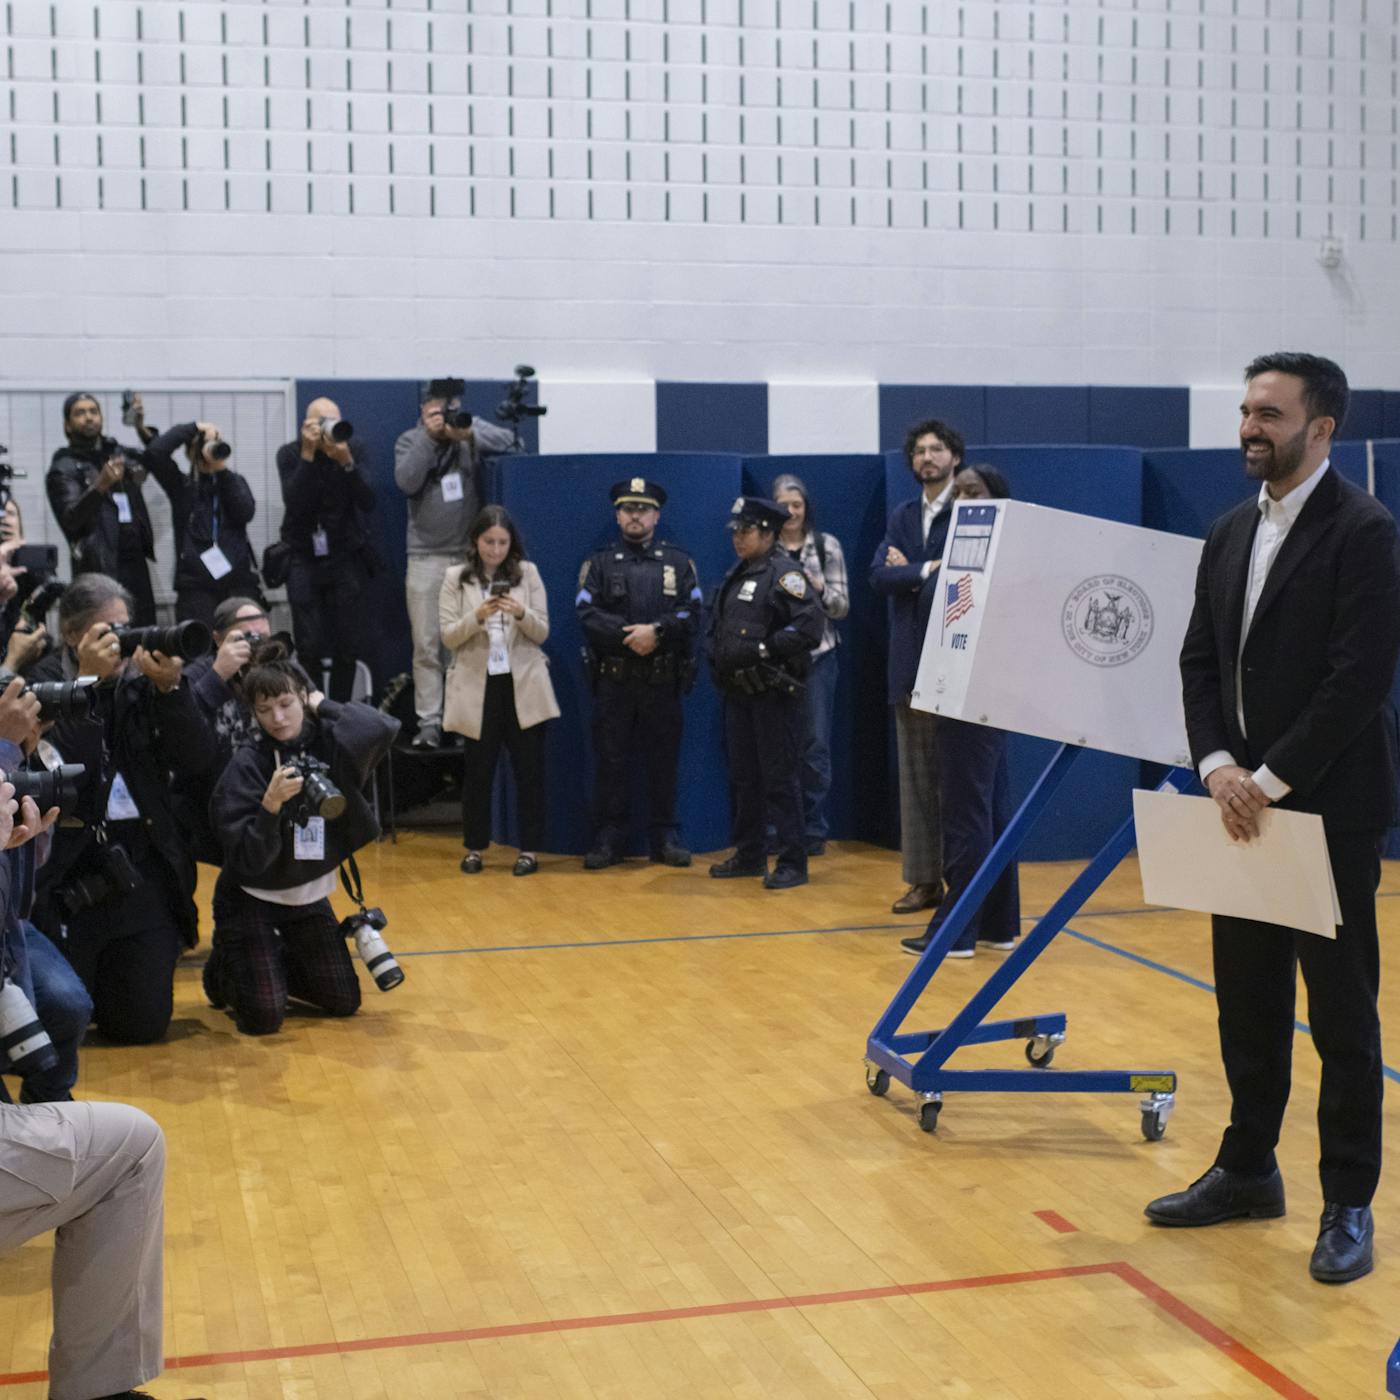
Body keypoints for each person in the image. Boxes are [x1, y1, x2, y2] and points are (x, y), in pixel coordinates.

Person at [1148, 352, 1400, 1287]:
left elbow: (1357, 681)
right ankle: (1249, 1168)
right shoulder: (1225, 532)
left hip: (1325, 815)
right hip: (1239, 811)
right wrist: (1218, 768)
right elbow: (1197, 664)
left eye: (1270, 414)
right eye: (1247, 410)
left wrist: (1270, 777)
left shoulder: (1365, 531)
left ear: (1321, 427)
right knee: (1247, 1004)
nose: (1250, 427)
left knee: (1343, 1019)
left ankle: (1350, 1202)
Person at [31, 575, 213, 1045]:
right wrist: (85, 685)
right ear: (72, 635)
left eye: (125, 627)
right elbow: (64, 768)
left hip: (140, 866)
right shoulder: (45, 681)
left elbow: (196, 759)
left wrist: (172, 691)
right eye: (105, 629)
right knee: (64, 1018)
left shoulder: (143, 683)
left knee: (142, 1026)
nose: (120, 640)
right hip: (70, 871)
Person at [207, 644, 399, 1035]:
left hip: (307, 895)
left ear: (301, 698)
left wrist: (322, 703)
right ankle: (227, 967)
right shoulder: (248, 764)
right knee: (264, 1018)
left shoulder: (327, 739)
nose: (277, 719)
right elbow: (247, 861)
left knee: (344, 1001)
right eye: (264, 710)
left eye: (286, 703)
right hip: (252, 898)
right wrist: (270, 806)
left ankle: (269, 966)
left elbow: (383, 728)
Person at [900, 464, 1020, 959]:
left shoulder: (995, 557)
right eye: (960, 491)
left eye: (976, 491)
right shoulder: (960, 550)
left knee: (965, 814)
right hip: (966, 697)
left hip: (972, 698)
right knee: (988, 810)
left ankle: (955, 930)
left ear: (999, 500)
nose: (964, 498)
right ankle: (997, 923)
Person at [576, 478, 701, 869]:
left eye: (643, 509)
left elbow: (693, 612)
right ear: (617, 515)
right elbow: (586, 612)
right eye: (628, 508)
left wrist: (658, 633)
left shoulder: (679, 562)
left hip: (662, 680)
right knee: (611, 760)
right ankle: (610, 836)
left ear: (656, 515)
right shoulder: (598, 563)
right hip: (615, 679)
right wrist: (630, 636)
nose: (635, 515)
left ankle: (665, 835)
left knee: (663, 761)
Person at [870, 418, 964, 915]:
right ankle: (924, 882)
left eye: (936, 449)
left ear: (954, 456)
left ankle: (963, 885)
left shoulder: (970, 508)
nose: (927, 457)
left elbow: (963, 576)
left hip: (957, 664)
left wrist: (912, 572)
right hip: (909, 666)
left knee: (958, 784)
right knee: (917, 782)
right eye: (919, 451)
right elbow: (878, 575)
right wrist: (926, 569)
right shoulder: (904, 514)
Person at [707, 496, 824, 890]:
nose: (738, 538)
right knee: (744, 778)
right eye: (736, 531)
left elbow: (809, 629)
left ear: (768, 533)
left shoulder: (785, 574)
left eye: (746, 531)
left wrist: (763, 649)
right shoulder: (738, 572)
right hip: (739, 694)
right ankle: (750, 853)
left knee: (779, 778)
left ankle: (792, 861)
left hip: (773, 694)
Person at [394, 380, 515, 750]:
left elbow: (513, 443)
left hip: (466, 557)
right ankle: (429, 722)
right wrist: (430, 439)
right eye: (435, 411)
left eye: (449, 409)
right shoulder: (409, 441)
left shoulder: (466, 435)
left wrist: (467, 430)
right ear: (423, 412)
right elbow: (406, 480)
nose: (443, 417)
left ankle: (462, 720)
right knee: (427, 645)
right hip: (425, 557)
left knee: (463, 644)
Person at [440, 506, 558, 876]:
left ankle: (530, 850)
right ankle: (475, 847)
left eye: (502, 542)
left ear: (512, 543)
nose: (495, 550)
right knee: (478, 773)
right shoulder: (455, 578)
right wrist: (478, 616)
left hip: (522, 684)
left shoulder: (528, 574)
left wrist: (520, 612)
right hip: (478, 686)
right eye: (488, 541)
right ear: (476, 541)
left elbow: (542, 632)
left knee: (529, 772)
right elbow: (447, 636)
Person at [275, 397, 376, 702]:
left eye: (335, 420)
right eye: (323, 422)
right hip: (303, 555)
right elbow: (293, 503)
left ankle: (343, 712)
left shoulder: (352, 450)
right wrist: (308, 456)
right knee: (309, 643)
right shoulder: (290, 453)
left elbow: (368, 501)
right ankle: (314, 707)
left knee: (348, 642)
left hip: (343, 554)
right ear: (307, 425)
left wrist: (346, 463)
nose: (330, 428)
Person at [771, 473, 849, 857]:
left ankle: (814, 829)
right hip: (777, 657)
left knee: (815, 745)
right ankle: (780, 828)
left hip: (819, 655)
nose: (791, 512)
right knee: (776, 745)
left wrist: (818, 589)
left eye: (797, 505)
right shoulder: (766, 548)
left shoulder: (826, 546)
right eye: (784, 506)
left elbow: (842, 606)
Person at [176, 596, 276, 867]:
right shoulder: (198, 673)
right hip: (209, 806)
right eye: (247, 637)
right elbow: (179, 726)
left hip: (267, 800)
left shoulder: (275, 669)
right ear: (219, 640)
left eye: (263, 637)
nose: (256, 645)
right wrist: (218, 674)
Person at [45, 393, 161, 625]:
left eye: (93, 411)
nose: (89, 418)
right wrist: (101, 485)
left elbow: (156, 459)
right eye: (80, 413)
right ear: (67, 425)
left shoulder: (116, 452)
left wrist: (140, 428)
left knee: (145, 635)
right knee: (106, 636)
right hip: (99, 566)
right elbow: (70, 519)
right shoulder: (63, 467)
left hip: (135, 562)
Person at [141, 418, 263, 627]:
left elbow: (245, 512)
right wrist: (194, 428)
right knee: (198, 653)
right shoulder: (182, 486)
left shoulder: (233, 480)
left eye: (217, 442)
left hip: (238, 585)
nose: (212, 447)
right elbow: (154, 454)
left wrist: (221, 470)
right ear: (191, 452)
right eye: (206, 444)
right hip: (195, 588)